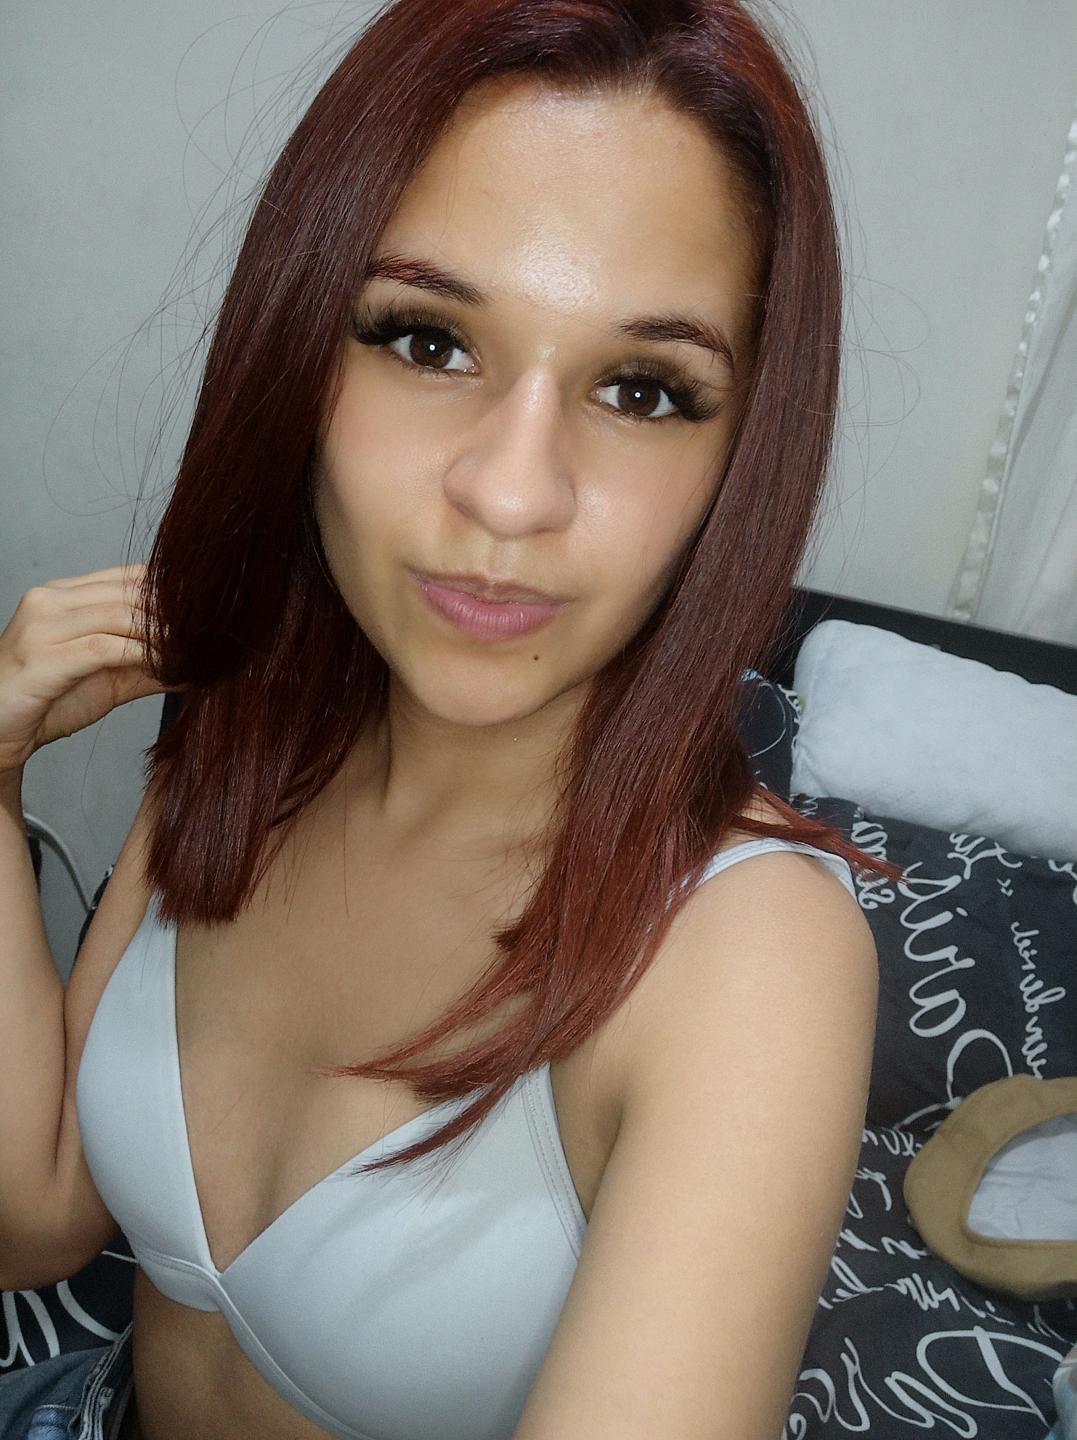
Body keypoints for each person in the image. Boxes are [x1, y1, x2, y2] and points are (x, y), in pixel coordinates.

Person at [0, 0, 902, 1436]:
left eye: (641, 389)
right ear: (303, 355)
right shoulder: (244, 738)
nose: (510, 492)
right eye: (425, 341)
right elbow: (38, 1220)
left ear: (739, 458)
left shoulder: (749, 956)